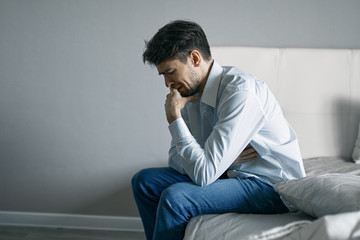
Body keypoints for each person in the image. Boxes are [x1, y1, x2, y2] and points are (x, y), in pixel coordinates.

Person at [132, 20, 306, 240]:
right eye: (163, 75)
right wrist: (223, 160)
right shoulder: (187, 91)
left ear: (194, 59)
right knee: (144, 181)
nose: (168, 83)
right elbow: (176, 161)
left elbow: (203, 174)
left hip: (270, 186)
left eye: (170, 72)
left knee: (176, 198)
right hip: (230, 174)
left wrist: (174, 118)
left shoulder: (240, 93)